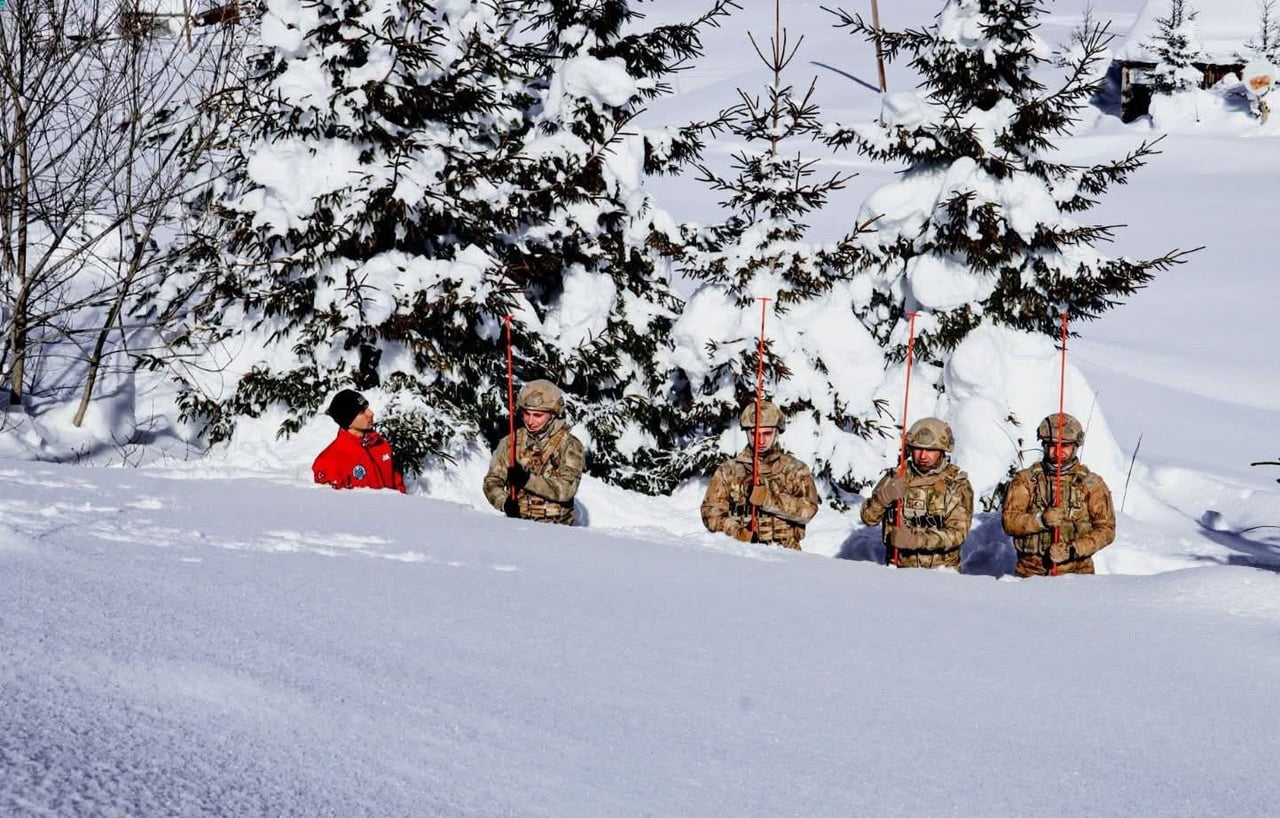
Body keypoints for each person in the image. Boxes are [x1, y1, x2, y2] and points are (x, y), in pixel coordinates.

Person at [1001, 412, 1116, 577]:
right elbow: (1009, 521)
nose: (1058, 452)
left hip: (1078, 574)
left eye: (1065, 446)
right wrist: (1040, 520)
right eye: (1052, 445)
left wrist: (1073, 549)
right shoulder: (1025, 480)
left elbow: (1107, 529)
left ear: (1075, 446)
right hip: (1030, 573)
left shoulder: (1092, 484)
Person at [700, 400, 819, 550]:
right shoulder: (728, 471)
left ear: (777, 432)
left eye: (767, 433)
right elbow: (710, 512)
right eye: (755, 433)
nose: (761, 440)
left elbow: (809, 510)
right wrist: (737, 533)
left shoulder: (795, 470)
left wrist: (769, 499)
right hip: (740, 552)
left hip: (785, 552)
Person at [860, 417, 974, 570]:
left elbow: (957, 534)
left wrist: (916, 540)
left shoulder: (956, 485)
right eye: (918, 449)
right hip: (899, 568)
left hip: (942, 571)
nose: (923, 456)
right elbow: (869, 519)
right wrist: (883, 498)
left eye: (930, 450)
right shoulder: (896, 477)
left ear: (942, 451)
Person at [483, 379, 585, 525]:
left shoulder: (569, 445)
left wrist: (527, 480)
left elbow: (566, 489)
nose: (530, 421)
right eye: (526, 414)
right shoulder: (511, 442)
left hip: (558, 529)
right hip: (517, 525)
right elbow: (492, 481)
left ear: (553, 414)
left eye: (538, 415)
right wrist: (504, 502)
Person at [312, 389, 406, 492]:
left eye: (367, 408)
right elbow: (331, 504)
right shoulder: (328, 461)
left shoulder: (381, 445)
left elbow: (399, 489)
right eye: (362, 412)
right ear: (348, 421)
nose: (370, 413)